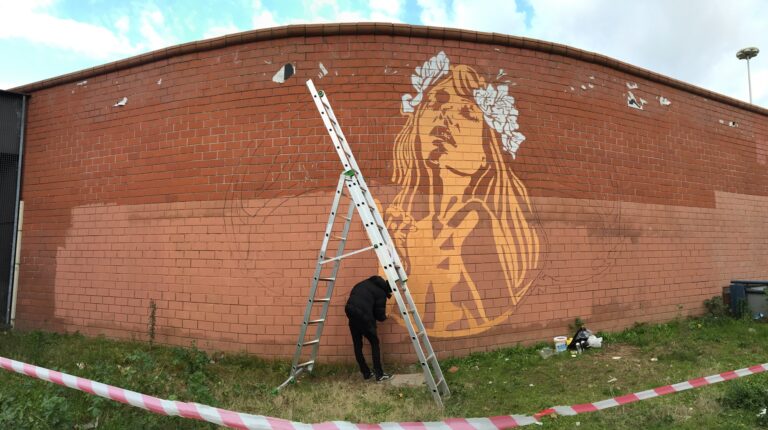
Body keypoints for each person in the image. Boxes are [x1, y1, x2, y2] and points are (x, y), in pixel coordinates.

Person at [385, 55, 541, 337]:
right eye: (435, 103)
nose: (446, 117)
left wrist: (423, 261)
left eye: (468, 113)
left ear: (487, 153)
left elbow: (494, 312)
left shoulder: (472, 219)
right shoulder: (406, 216)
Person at [344, 275, 393, 381]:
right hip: (364, 317)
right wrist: (386, 316)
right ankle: (379, 374)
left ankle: (366, 373)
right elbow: (380, 316)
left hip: (351, 313)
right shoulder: (381, 293)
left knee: (357, 345)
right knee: (374, 343)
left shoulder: (363, 283)